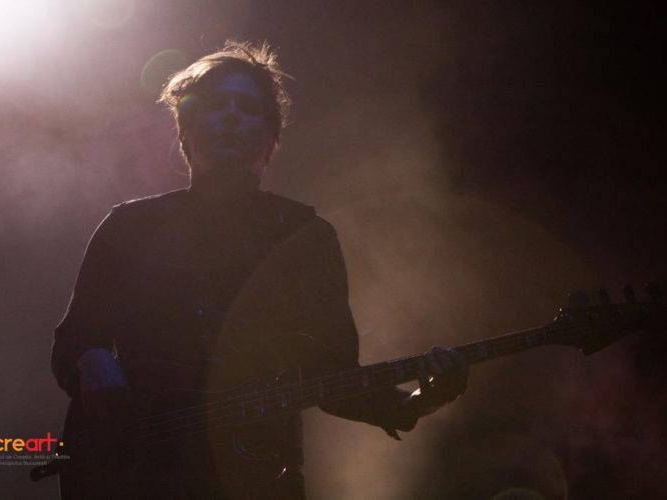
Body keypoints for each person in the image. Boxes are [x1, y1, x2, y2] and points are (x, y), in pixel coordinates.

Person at [51, 40, 468, 499]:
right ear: (185, 130)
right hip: (138, 480)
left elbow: (333, 380)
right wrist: (94, 362)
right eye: (216, 104)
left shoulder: (306, 238)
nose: (231, 115)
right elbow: (73, 341)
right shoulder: (129, 227)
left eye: (248, 108)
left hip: (258, 479)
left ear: (271, 141)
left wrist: (421, 400)